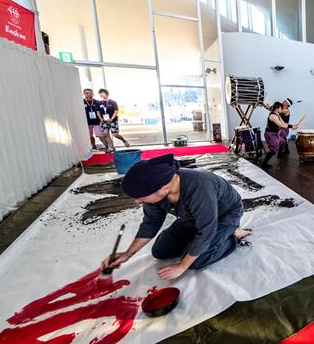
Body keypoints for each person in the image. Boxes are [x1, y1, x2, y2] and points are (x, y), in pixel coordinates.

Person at [101, 154, 247, 280]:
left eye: (140, 197)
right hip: (190, 219)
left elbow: (207, 230)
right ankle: (199, 242)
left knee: (196, 261)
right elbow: (150, 223)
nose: (137, 201)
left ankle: (232, 236)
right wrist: (128, 253)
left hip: (223, 216)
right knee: (159, 251)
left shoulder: (199, 189)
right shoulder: (156, 187)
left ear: (164, 189)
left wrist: (182, 266)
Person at [262, 101, 292, 168]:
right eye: (284, 100)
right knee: (279, 143)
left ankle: (282, 152)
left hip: (283, 127)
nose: (284, 101)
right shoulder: (276, 113)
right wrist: (264, 105)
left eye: (285, 101)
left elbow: (275, 109)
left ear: (288, 104)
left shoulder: (286, 110)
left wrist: (269, 107)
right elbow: (273, 109)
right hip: (278, 128)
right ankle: (282, 152)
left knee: (282, 141)